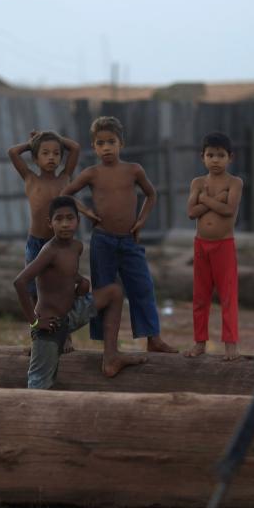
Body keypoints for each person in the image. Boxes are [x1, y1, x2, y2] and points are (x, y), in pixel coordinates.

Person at [59, 116, 177, 353]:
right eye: (100, 143)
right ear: (94, 147)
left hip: (129, 241)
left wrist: (141, 221)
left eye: (111, 142)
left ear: (121, 143)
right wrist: (87, 211)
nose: (106, 148)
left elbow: (151, 194)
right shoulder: (92, 173)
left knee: (142, 286)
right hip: (103, 240)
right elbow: (66, 193)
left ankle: (152, 338)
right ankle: (108, 346)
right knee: (103, 290)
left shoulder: (133, 170)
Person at [14, 195, 146, 389]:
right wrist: (34, 322)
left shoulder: (77, 246)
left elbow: (64, 273)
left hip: (72, 314)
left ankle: (111, 358)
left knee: (114, 292)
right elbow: (20, 282)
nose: (65, 224)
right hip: (50, 326)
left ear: (78, 220)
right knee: (39, 385)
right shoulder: (49, 251)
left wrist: (80, 281)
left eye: (70, 218)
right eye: (59, 219)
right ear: (50, 223)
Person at [182, 132, 243, 361]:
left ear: (230, 158)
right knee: (200, 296)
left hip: (224, 245)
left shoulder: (235, 182)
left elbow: (229, 210)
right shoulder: (197, 183)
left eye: (220, 155)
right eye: (210, 155)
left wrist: (204, 200)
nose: (215, 160)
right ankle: (199, 343)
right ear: (202, 157)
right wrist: (217, 200)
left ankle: (231, 346)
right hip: (201, 245)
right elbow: (191, 213)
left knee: (228, 295)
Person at [7, 130, 82, 300]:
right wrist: (34, 142)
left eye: (56, 154)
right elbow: (12, 152)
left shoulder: (65, 178)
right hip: (36, 242)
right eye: (45, 153)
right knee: (33, 287)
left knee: (59, 284)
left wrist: (53, 137)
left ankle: (59, 322)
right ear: (35, 158)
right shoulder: (30, 179)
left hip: (59, 243)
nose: (51, 157)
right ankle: (38, 323)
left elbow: (75, 148)